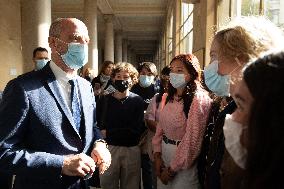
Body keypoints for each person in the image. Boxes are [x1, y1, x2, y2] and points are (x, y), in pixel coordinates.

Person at [0, 18, 111, 189]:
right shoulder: (22, 88)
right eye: (75, 39)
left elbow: (92, 127)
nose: (82, 46)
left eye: (86, 41)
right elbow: (4, 152)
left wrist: (100, 144)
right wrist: (61, 163)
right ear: (53, 43)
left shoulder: (86, 86)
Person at [199, 16, 284, 189]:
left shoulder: (268, 118)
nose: (208, 66)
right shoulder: (226, 105)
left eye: (213, 57)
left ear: (241, 59)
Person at [152, 54, 212, 189]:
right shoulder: (168, 96)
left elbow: (192, 141)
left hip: (184, 162)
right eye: (171, 70)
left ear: (191, 73)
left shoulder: (199, 100)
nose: (173, 74)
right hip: (164, 153)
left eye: (179, 70)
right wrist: (157, 155)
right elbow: (160, 128)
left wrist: (171, 170)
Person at [97, 62, 145, 189]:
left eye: (126, 77)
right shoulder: (105, 100)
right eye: (118, 76)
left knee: (131, 185)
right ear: (113, 78)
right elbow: (98, 125)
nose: (121, 80)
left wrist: (109, 133)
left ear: (133, 79)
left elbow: (136, 130)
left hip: (131, 149)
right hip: (109, 149)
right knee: (107, 184)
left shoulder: (137, 101)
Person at [131, 62, 158, 189]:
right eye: (143, 73)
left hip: (150, 133)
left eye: (149, 74)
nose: (146, 76)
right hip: (135, 132)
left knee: (148, 165)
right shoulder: (132, 89)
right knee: (134, 166)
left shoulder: (157, 91)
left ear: (154, 76)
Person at [145, 65, 171, 189]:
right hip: (157, 147)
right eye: (165, 81)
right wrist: (166, 130)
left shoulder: (186, 101)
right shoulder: (156, 99)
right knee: (158, 180)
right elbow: (149, 120)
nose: (167, 84)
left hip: (176, 149)